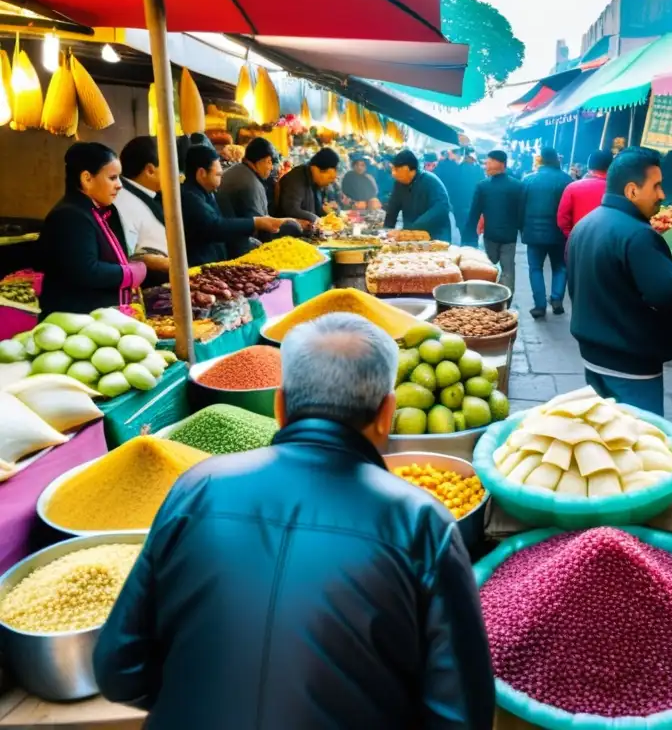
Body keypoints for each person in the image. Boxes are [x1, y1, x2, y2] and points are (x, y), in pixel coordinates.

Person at [93, 313, 496, 728]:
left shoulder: (197, 487)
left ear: (279, 405)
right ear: (387, 413)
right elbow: (461, 716)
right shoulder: (419, 521)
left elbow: (118, 672)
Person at [567, 147, 672, 415]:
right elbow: (667, 293)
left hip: (593, 356)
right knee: (640, 440)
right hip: (630, 364)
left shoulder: (585, 224)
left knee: (606, 435)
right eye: (657, 186)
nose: (662, 195)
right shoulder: (637, 235)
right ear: (632, 191)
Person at [38, 143, 146, 317]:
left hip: (99, 317)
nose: (119, 185)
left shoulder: (99, 210)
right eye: (112, 178)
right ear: (87, 179)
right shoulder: (69, 216)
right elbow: (86, 270)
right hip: (77, 323)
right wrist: (129, 273)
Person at [180, 145, 289, 267]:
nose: (221, 179)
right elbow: (214, 226)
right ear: (201, 173)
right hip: (199, 267)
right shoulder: (190, 197)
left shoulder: (205, 192)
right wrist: (256, 222)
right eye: (218, 175)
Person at [521, 147, 572, 318]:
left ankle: (540, 306)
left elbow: (520, 208)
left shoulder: (528, 180)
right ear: (557, 159)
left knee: (535, 268)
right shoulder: (567, 180)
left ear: (541, 160)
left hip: (533, 234)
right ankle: (557, 298)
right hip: (559, 233)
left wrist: (522, 228)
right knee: (560, 267)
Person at [115, 136, 169, 286]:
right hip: (146, 288)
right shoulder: (123, 201)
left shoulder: (146, 194)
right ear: (150, 170)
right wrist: (164, 263)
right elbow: (125, 257)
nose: (174, 173)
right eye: (168, 167)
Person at [469, 150, 523, 291]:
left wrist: (468, 235)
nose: (486, 165)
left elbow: (474, 212)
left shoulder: (483, 186)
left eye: (490, 161)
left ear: (501, 164)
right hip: (509, 236)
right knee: (508, 270)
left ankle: (491, 298)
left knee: (489, 268)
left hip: (491, 235)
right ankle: (506, 301)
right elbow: (522, 211)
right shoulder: (517, 185)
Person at [385, 149, 452, 242]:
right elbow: (393, 208)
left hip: (435, 236)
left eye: (396, 169)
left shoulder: (431, 181)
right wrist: (386, 231)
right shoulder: (399, 184)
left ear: (407, 169)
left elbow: (441, 208)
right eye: (392, 169)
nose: (393, 174)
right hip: (410, 236)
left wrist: (412, 228)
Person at [557, 149, 613, 241]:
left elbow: (562, 220)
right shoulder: (619, 189)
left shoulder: (572, 187)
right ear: (611, 166)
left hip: (578, 241)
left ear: (588, 166)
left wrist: (572, 237)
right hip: (608, 243)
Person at [275, 147, 340, 224]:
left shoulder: (318, 183)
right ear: (316, 169)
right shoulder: (296, 178)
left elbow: (317, 210)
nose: (331, 182)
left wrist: (328, 211)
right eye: (330, 178)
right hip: (289, 231)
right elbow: (291, 209)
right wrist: (317, 220)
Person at [217, 137, 276, 221]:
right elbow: (261, 225)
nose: (271, 167)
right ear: (261, 161)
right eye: (269, 162)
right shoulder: (252, 184)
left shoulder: (237, 170)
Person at [455, 152, 485, 243]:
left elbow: (454, 187)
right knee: (473, 229)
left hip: (460, 205)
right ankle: (472, 246)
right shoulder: (478, 170)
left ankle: (464, 245)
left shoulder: (458, 169)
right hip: (474, 204)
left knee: (462, 228)